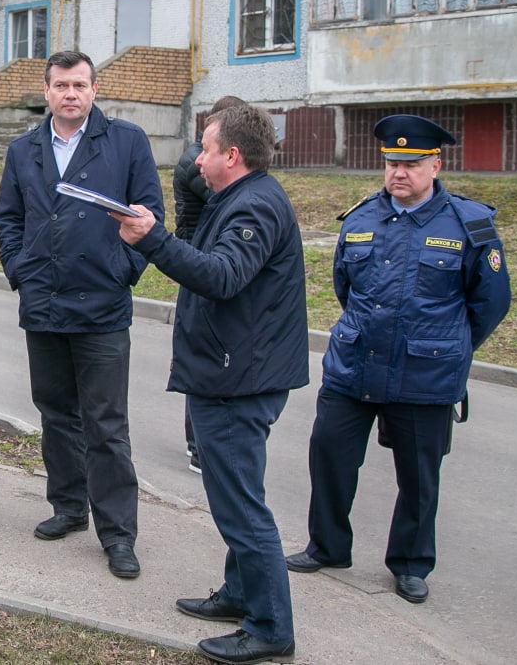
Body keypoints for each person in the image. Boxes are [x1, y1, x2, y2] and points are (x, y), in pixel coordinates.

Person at [286, 114, 511, 606]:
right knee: (329, 455)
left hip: (426, 372)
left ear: (435, 164)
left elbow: (490, 304)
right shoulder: (362, 218)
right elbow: (347, 287)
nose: (398, 173)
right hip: (354, 364)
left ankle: (410, 563)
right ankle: (327, 545)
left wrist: (448, 345)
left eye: (411, 163)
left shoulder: (469, 224)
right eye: (391, 163)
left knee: (418, 475)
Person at [115, 104, 305, 665]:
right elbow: (202, 253)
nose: (196, 160)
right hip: (233, 370)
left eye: (205, 149)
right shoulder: (237, 198)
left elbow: (221, 276)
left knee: (242, 507)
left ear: (233, 155)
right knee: (237, 496)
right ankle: (242, 594)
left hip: (239, 380)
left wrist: (151, 239)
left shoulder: (255, 207)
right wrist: (187, 209)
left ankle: (270, 627)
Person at [0, 50, 162, 580]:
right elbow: (8, 217)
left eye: (80, 85)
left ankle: (118, 534)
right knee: (55, 412)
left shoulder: (126, 141)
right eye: (61, 85)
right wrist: (21, 269)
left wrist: (122, 268)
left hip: (103, 305)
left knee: (106, 423)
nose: (71, 93)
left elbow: (149, 213)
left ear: (94, 90)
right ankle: (68, 506)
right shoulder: (25, 149)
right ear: (46, 91)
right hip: (43, 304)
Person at [172, 95, 246, 475]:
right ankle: (197, 446)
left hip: (202, 253)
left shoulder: (196, 156)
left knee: (206, 350)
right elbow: (227, 197)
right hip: (199, 254)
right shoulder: (195, 162)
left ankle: (199, 443)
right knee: (202, 354)